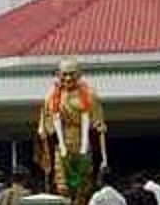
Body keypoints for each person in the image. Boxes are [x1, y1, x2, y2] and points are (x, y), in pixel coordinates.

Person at [37, 59, 108, 205]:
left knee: (83, 187)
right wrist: (44, 130)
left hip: (83, 145)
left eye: (72, 74)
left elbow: (98, 124)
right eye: (64, 74)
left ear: (79, 74)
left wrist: (104, 156)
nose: (68, 78)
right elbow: (45, 125)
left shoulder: (89, 94)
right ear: (58, 74)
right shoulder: (51, 96)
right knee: (62, 186)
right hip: (62, 147)